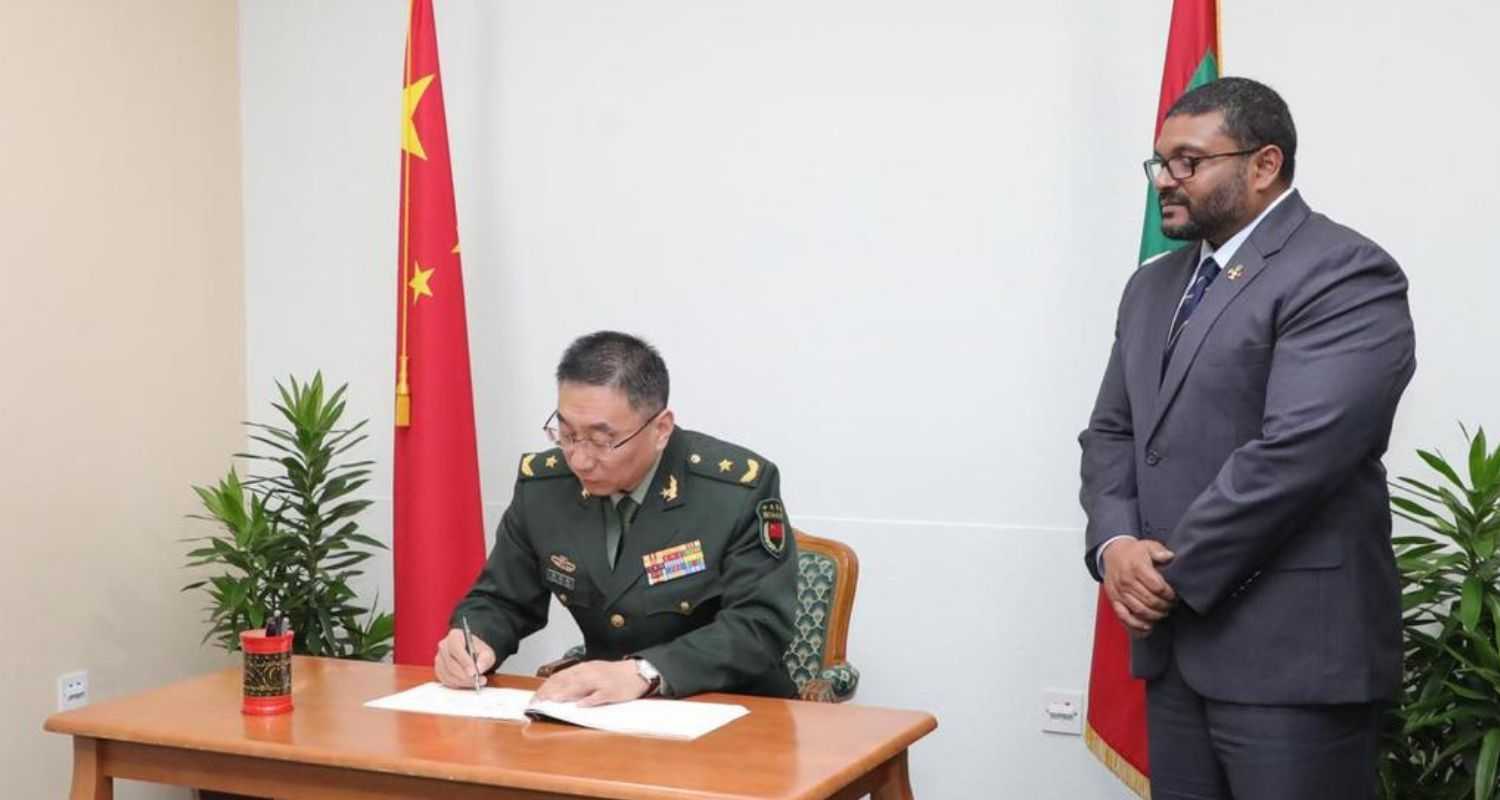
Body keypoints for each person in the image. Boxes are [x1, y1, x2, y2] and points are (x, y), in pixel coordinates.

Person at [1078, 77, 1415, 799]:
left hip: (1292, 661)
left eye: (1187, 162)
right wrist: (1116, 546)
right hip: (1173, 655)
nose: (1165, 182)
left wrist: (1165, 571)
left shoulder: (1343, 271)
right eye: (1160, 163)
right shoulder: (1151, 286)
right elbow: (1113, 431)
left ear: (1264, 165)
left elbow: (1299, 454)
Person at [435, 330, 799, 705]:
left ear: (660, 429)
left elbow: (758, 627)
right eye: (566, 433)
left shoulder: (733, 491)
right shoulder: (545, 487)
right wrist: (474, 638)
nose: (578, 458)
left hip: (733, 714)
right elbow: (503, 599)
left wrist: (646, 671)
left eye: (602, 440)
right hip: (604, 715)